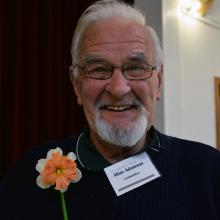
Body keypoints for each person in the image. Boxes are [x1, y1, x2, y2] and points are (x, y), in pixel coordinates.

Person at [1, 0, 220, 219]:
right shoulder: (28, 177)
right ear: (76, 84)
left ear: (159, 82)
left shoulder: (209, 172)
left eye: (136, 67)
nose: (118, 89)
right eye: (98, 69)